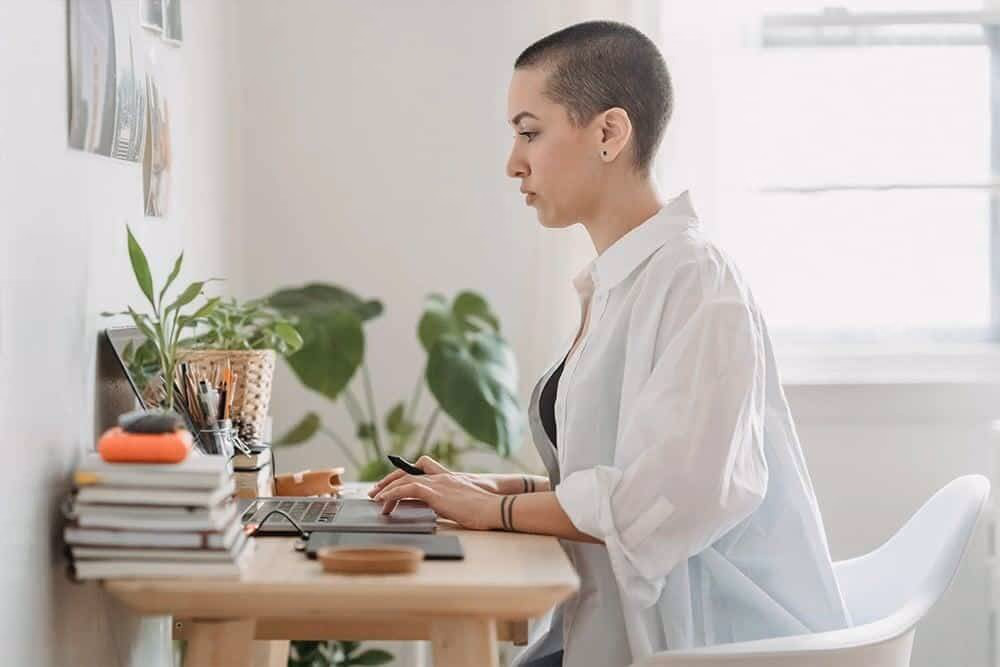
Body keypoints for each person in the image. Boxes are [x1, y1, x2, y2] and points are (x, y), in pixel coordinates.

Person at [370, 20, 852, 667]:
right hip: (601, 626)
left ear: (608, 133)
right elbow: (610, 470)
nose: (514, 162)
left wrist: (498, 510)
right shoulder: (618, 283)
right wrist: (483, 489)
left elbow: (670, 495)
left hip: (702, 644)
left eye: (530, 131)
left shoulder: (697, 283)